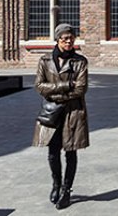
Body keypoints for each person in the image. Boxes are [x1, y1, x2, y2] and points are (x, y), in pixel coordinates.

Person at [33, 24, 89, 209]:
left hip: (73, 113)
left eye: (71, 38)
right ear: (57, 40)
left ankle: (66, 190)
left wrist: (55, 93)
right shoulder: (45, 60)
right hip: (52, 113)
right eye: (65, 38)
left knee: (70, 152)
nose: (69, 41)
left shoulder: (80, 61)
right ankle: (56, 184)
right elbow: (40, 86)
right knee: (52, 152)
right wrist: (65, 86)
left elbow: (81, 89)